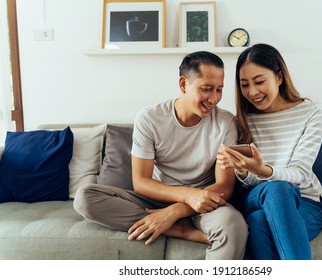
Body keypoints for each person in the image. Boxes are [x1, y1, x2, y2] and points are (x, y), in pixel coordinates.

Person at [73, 51, 248, 260]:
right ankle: (179, 230)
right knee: (85, 197)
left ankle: (174, 222)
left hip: (205, 201)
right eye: (206, 89)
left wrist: (176, 211)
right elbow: (141, 182)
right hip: (157, 197)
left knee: (234, 224)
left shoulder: (226, 123)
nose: (214, 98)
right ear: (183, 84)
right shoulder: (150, 118)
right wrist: (185, 197)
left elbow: (225, 187)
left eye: (219, 89)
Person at [217, 43, 322, 260]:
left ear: (279, 77)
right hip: (256, 195)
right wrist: (242, 170)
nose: (252, 92)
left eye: (259, 82)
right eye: (244, 85)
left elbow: (301, 173)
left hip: (306, 200)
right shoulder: (242, 120)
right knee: (276, 188)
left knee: (259, 221)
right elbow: (249, 182)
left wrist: (263, 170)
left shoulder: (312, 113)